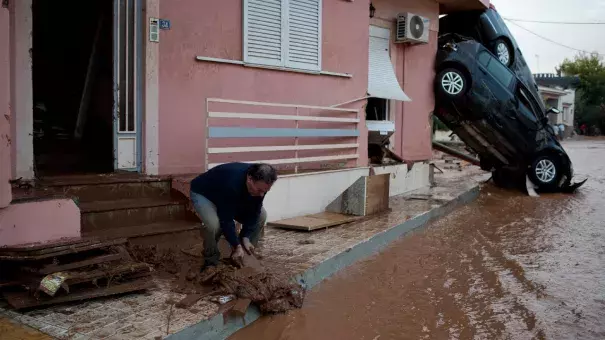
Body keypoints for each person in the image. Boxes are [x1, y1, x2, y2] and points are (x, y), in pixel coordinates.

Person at [190, 162, 277, 272]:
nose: (261, 195)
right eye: (259, 190)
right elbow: (226, 219)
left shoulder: (261, 185)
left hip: (228, 196)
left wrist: (246, 236)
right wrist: (236, 245)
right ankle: (210, 260)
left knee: (261, 216)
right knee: (213, 225)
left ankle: (243, 255)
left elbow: (255, 211)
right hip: (205, 194)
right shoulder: (231, 183)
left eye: (265, 192)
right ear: (249, 179)